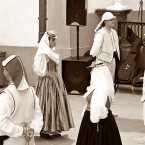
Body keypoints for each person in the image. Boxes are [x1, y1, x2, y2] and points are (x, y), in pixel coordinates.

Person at [76, 12, 122, 145]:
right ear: (105, 21)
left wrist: (115, 57)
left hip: (111, 61)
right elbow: (93, 52)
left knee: (109, 86)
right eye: (111, 20)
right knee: (100, 88)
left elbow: (115, 47)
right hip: (102, 63)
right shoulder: (100, 34)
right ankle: (99, 108)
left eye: (113, 19)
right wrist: (102, 57)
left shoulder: (113, 32)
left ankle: (107, 107)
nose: (113, 21)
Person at [33, 30, 74, 139]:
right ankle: (44, 130)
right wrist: (47, 75)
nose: (55, 41)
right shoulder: (43, 52)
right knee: (47, 105)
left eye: (55, 39)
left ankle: (54, 128)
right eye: (53, 40)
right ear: (48, 40)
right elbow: (38, 69)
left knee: (56, 104)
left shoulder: (51, 51)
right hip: (47, 83)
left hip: (56, 81)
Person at [0, 55, 43, 145]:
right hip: (29, 141)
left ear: (8, 72)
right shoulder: (31, 91)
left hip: (10, 142)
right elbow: (38, 116)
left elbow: (1, 123)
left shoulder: (6, 95)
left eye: (4, 69)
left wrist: (22, 131)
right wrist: (32, 130)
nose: (3, 71)